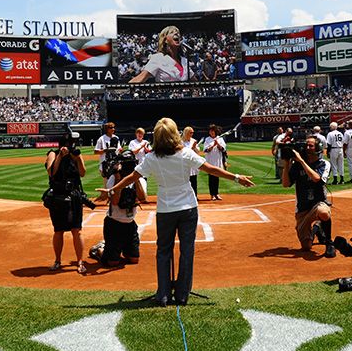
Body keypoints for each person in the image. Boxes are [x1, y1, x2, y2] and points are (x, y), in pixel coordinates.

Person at [100, 117, 253, 306]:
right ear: (175, 134)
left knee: (163, 251)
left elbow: (132, 177)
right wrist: (237, 177)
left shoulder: (152, 157)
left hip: (165, 210)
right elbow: (211, 169)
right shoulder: (186, 153)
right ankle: (182, 294)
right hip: (188, 208)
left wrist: (113, 190)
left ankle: (163, 294)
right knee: (187, 251)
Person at [281, 136, 335, 257]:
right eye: (306, 145)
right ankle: (317, 227)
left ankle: (329, 242)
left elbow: (317, 179)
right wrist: (286, 164)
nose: (307, 148)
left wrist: (301, 161)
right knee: (306, 247)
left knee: (324, 212)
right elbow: (286, 184)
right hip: (302, 208)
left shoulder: (324, 164)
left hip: (318, 203)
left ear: (318, 148)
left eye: (310, 145)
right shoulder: (297, 165)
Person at [92, 150, 147, 267]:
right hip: (113, 224)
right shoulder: (113, 178)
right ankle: (99, 250)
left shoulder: (140, 179)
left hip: (130, 224)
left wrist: (135, 177)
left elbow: (142, 198)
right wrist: (118, 178)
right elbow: (115, 201)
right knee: (112, 262)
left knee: (133, 259)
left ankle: (116, 249)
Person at [45, 133, 88, 274]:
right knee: (58, 230)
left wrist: (77, 158)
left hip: (74, 196)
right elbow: (51, 172)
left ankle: (80, 262)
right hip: (58, 196)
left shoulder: (75, 154)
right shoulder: (53, 154)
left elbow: (82, 173)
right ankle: (57, 261)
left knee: (77, 230)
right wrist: (60, 157)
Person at [202, 124, 226, 200]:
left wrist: (217, 144)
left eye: (212, 131)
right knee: (211, 178)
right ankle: (212, 194)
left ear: (215, 131)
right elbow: (205, 150)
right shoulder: (207, 139)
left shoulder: (220, 139)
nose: (211, 132)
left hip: (217, 160)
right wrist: (213, 145)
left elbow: (223, 149)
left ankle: (216, 194)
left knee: (216, 177)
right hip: (210, 161)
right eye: (210, 131)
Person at [182, 126, 201, 196]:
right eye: (190, 132)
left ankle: (195, 195)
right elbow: (183, 152)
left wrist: (195, 147)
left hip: (193, 162)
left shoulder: (194, 141)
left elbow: (198, 151)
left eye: (192, 132)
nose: (192, 134)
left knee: (194, 180)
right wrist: (192, 148)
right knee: (186, 181)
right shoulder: (181, 142)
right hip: (185, 163)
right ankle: (186, 196)